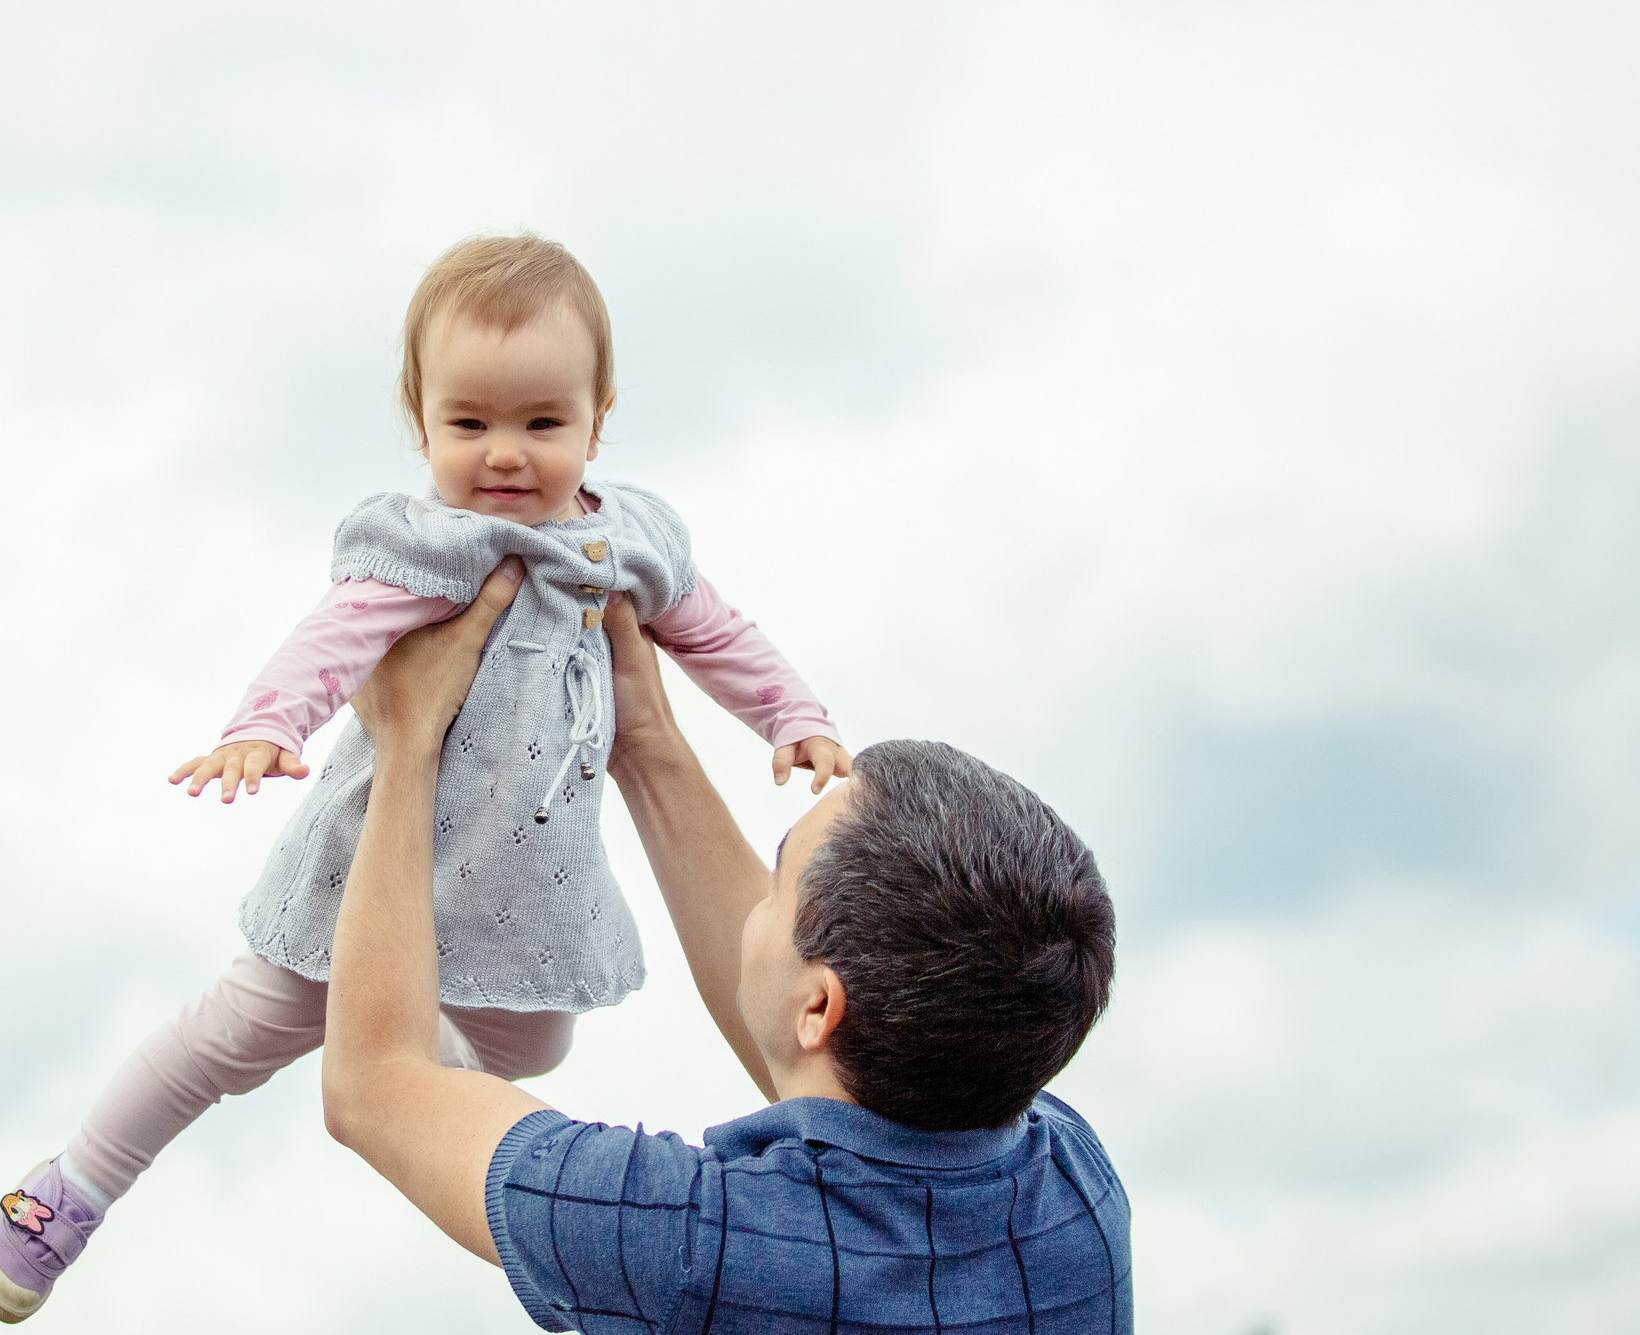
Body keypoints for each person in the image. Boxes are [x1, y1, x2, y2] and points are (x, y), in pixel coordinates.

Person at [0, 234, 851, 1322]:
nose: (506, 456)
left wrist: (793, 714)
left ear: (599, 415)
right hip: (367, 875)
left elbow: (718, 634)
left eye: (542, 423)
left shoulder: (630, 545)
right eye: (468, 424)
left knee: (535, 1042)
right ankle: (66, 1195)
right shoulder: (431, 545)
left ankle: (378, 1044)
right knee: (225, 1035)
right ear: (418, 415)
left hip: (526, 887)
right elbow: (329, 640)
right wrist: (264, 724)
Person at [321, 563, 1131, 1332]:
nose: (758, 900)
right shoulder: (1075, 1192)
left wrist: (407, 739)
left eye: (778, 883)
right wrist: (645, 738)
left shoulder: (695, 1244)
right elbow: (835, 1057)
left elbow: (376, 1081)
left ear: (819, 1005)